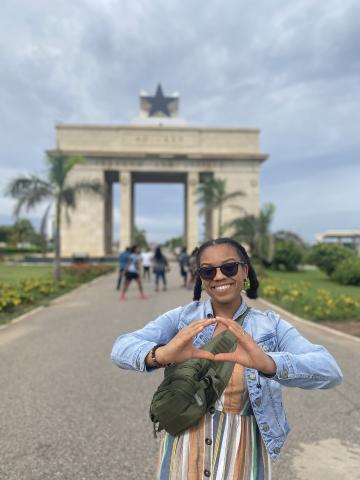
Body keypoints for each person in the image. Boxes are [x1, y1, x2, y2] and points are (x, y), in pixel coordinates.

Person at [111, 237, 342, 479]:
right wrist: (160, 355)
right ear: (201, 278)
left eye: (229, 267)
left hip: (242, 455)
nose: (219, 276)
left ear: (245, 271)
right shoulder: (183, 319)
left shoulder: (270, 326)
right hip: (183, 450)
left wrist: (269, 363)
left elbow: (330, 371)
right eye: (208, 271)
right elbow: (121, 347)